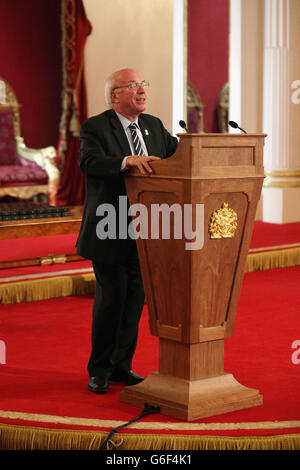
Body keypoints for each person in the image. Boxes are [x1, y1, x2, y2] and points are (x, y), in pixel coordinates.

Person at [76, 68, 178, 394]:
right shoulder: (96, 127)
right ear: (114, 95)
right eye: (133, 85)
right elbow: (89, 163)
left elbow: (180, 154)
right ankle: (100, 369)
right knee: (113, 299)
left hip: (145, 228)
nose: (141, 90)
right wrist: (125, 161)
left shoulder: (154, 126)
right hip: (108, 226)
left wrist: (207, 146)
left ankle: (122, 366)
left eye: (143, 84)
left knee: (135, 300)